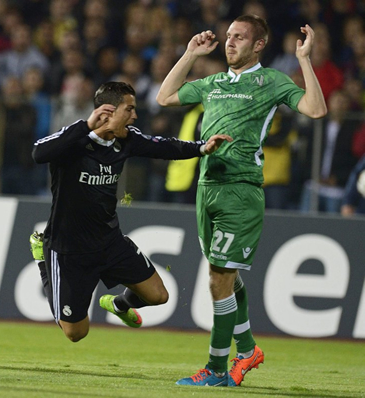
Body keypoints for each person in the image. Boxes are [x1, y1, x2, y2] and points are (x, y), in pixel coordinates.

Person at [156, 15, 327, 387]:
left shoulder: (271, 81)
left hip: (241, 190)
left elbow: (315, 109)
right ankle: (248, 350)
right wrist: (188, 54)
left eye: (239, 37)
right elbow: (165, 97)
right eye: (228, 36)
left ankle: (217, 369)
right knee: (227, 277)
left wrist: (304, 60)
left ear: (258, 44)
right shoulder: (214, 82)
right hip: (207, 187)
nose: (229, 42)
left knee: (218, 278)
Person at [30, 81, 232, 343]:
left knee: (159, 295)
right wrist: (86, 126)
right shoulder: (73, 141)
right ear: (107, 111)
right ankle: (43, 259)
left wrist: (202, 147)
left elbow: (164, 146)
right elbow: (38, 152)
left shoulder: (126, 139)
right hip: (69, 249)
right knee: (76, 333)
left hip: (109, 242)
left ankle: (119, 305)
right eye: (129, 109)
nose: (135, 115)